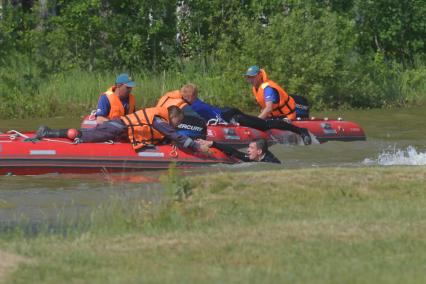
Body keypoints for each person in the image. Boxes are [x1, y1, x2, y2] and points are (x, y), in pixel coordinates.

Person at [34, 106, 209, 153]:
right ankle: (48, 133)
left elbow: (165, 136)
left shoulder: (157, 117)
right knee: (83, 135)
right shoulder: (159, 120)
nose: (177, 125)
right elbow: (173, 134)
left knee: (87, 135)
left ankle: (49, 132)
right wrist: (195, 146)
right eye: (177, 121)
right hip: (117, 128)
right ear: (173, 116)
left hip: (118, 127)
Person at [178, 83, 312, 145]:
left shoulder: (196, 106)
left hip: (232, 116)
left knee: (264, 125)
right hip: (227, 112)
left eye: (187, 96)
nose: (185, 98)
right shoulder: (192, 103)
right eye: (185, 96)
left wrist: (229, 125)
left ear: (193, 96)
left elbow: (215, 117)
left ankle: (301, 130)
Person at [199, 138, 281, 163]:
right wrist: (213, 143)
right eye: (248, 147)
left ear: (259, 151)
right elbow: (235, 152)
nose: (247, 150)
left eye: (251, 148)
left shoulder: (270, 162)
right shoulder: (254, 156)